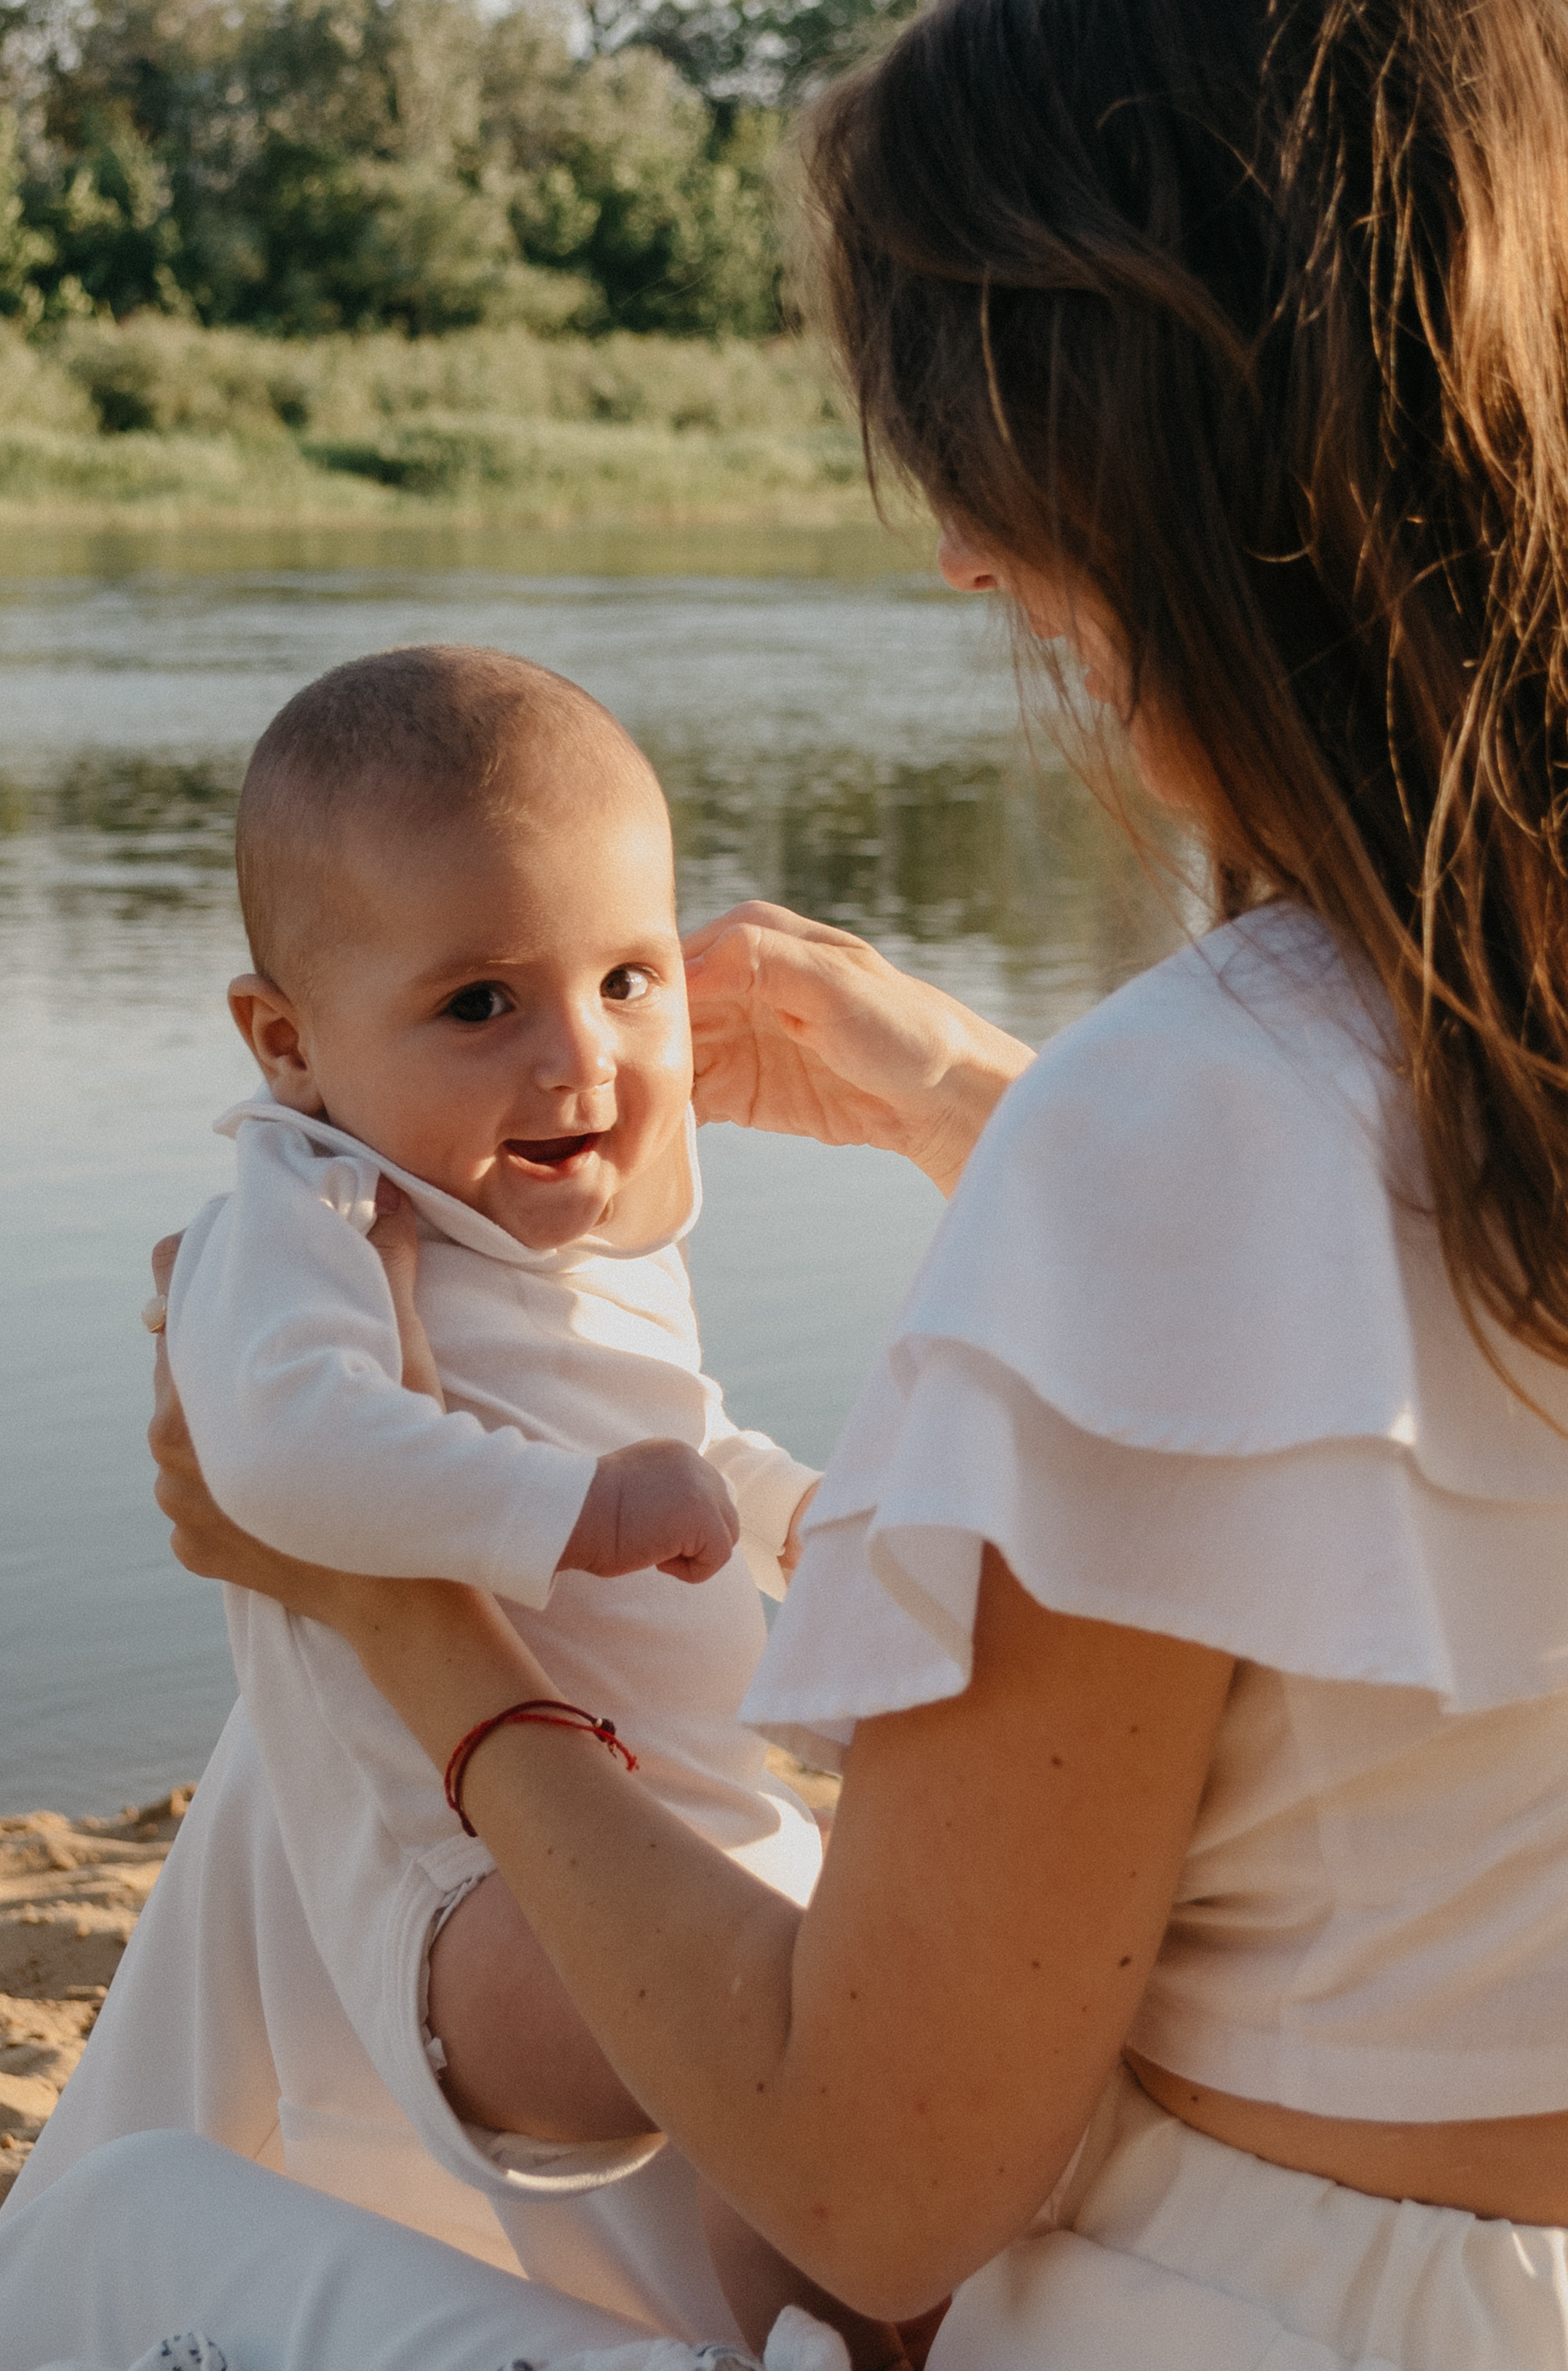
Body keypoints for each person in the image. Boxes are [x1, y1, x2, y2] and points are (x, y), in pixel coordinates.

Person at [9, 0, 1568, 2371]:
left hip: (1236, 2324)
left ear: (1181, 464)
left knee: (116, 2233)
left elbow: (883, 2182)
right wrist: (970, 1101)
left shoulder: (1191, 1129)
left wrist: (396, 1607)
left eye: (991, 441)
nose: (959, 557)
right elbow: (1432, 1352)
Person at [14, 646, 916, 2367]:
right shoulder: (304, 1215)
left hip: (679, 1815)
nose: (583, 1059)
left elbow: (681, 1443)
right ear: (290, 1043)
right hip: (473, 1878)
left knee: (829, 2161)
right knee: (808, 2064)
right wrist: (571, 1508)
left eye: (631, 981)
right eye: (480, 1005)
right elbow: (279, 1455)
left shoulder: (573, 1240)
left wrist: (794, 1512)